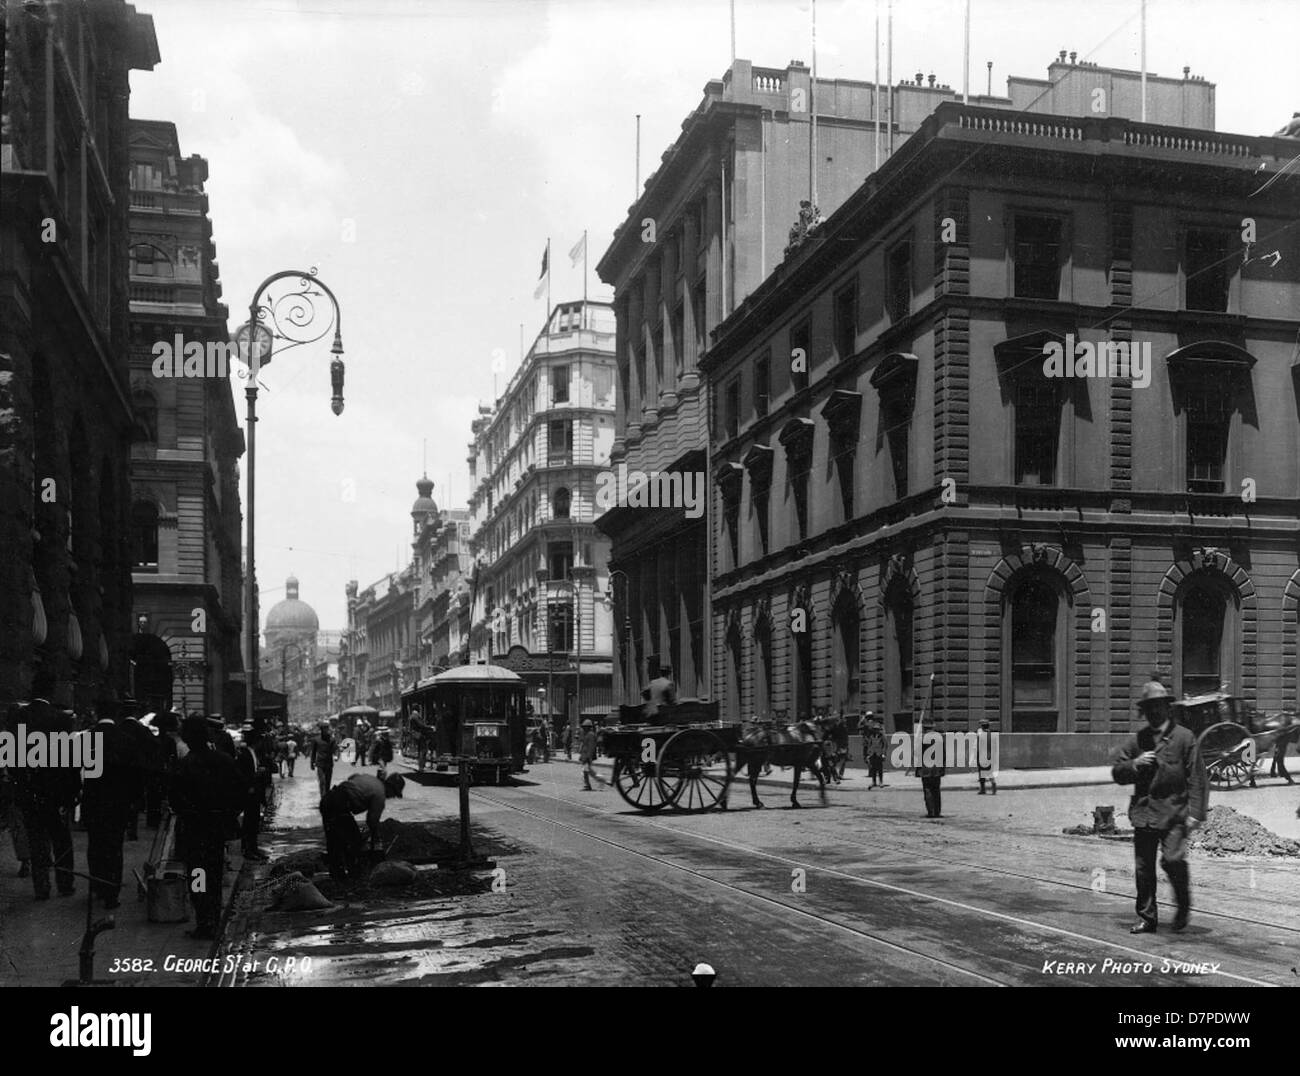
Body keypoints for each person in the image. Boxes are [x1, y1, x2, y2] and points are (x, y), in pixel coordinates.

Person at [1112, 680, 1208, 934]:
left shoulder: (1185, 738)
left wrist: (1196, 814)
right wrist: (1135, 763)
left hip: (1175, 814)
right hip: (1144, 814)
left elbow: (1197, 779)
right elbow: (1117, 772)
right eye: (1149, 708)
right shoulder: (1139, 740)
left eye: (1159, 706)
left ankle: (1183, 904)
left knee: (1173, 860)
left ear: (1168, 708)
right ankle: (1147, 917)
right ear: (1144, 711)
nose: (1154, 712)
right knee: (1144, 869)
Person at [170, 716, 245, 940]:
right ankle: (214, 916)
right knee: (214, 872)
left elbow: (175, 800)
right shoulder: (223, 760)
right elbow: (240, 791)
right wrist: (227, 815)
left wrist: (190, 815)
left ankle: (204, 920)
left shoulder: (184, 765)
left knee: (197, 875)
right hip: (216, 830)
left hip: (194, 831)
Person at [13, 699, 81, 900]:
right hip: (56, 799)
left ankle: (42, 886)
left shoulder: (22, 738)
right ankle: (65, 884)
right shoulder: (65, 742)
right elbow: (73, 774)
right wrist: (71, 798)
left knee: (37, 842)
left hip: (33, 798)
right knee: (62, 841)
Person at [81, 703, 144, 908]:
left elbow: (73, 770)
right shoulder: (126, 739)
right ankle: (112, 893)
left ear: (96, 713)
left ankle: (97, 885)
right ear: (116, 714)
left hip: (93, 800)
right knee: (115, 846)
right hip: (118, 802)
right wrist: (134, 800)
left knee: (95, 844)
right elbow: (135, 775)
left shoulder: (86, 738)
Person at [320, 772, 405, 882]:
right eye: (394, 794)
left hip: (328, 800)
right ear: (390, 788)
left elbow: (352, 777)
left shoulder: (371, 780)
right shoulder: (379, 794)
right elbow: (372, 821)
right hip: (338, 805)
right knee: (354, 841)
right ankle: (354, 875)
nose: (392, 797)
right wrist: (374, 840)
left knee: (334, 841)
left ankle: (337, 876)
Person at [235, 728, 271, 861]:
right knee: (249, 822)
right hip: (250, 792)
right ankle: (247, 849)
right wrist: (251, 782)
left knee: (254, 822)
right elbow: (242, 774)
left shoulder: (254, 753)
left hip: (256, 792)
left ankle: (254, 848)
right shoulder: (244, 754)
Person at [916, 721, 945, 818]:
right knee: (936, 790)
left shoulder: (922, 739)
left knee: (928, 790)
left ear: (925, 729)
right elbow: (943, 754)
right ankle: (937, 812)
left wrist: (918, 768)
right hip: (937, 769)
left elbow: (918, 754)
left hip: (926, 769)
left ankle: (931, 811)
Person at [310, 723, 336, 802]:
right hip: (320, 764)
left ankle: (327, 798)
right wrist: (312, 763)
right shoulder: (316, 740)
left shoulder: (331, 739)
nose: (326, 730)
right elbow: (313, 752)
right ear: (321, 730)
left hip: (329, 763)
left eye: (327, 729)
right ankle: (323, 798)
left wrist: (337, 755)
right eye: (324, 729)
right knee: (322, 781)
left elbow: (335, 748)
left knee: (328, 782)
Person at [578, 719, 604, 791]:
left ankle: (589, 784)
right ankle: (596, 781)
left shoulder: (591, 735)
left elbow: (591, 747)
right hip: (585, 755)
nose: (584, 728)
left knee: (585, 771)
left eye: (585, 727)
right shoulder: (587, 734)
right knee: (588, 771)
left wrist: (588, 757)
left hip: (587, 756)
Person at [975, 718, 997, 795]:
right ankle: (994, 786)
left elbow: (978, 747)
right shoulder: (992, 735)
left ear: (982, 727)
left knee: (981, 773)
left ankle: (983, 789)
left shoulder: (980, 735)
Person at [864, 719, 887, 789]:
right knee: (873, 768)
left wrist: (883, 753)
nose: (876, 730)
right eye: (875, 729)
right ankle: (874, 782)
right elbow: (869, 745)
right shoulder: (871, 736)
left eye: (877, 729)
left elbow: (885, 745)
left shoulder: (882, 736)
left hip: (879, 754)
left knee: (880, 768)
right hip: (872, 754)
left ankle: (881, 782)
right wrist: (868, 754)